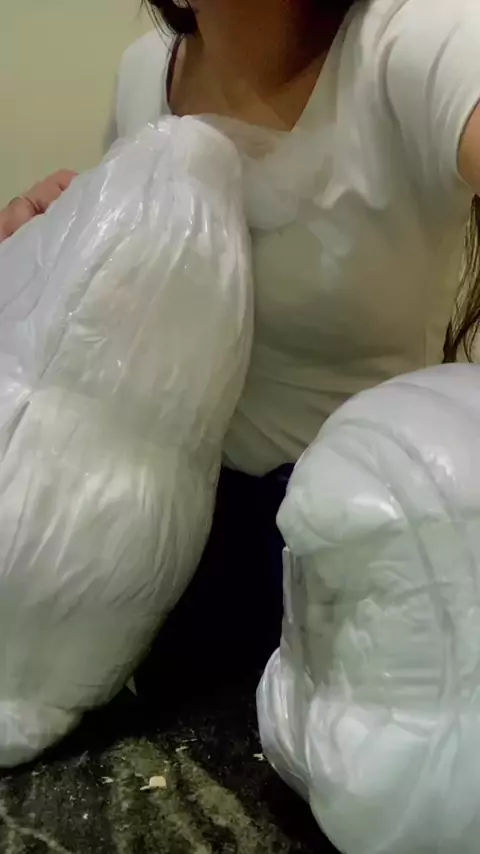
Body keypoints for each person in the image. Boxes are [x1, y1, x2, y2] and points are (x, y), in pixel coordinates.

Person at [3, 0, 480, 700]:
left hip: (363, 580)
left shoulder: (418, 40)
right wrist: (39, 259)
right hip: (165, 571)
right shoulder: (144, 74)